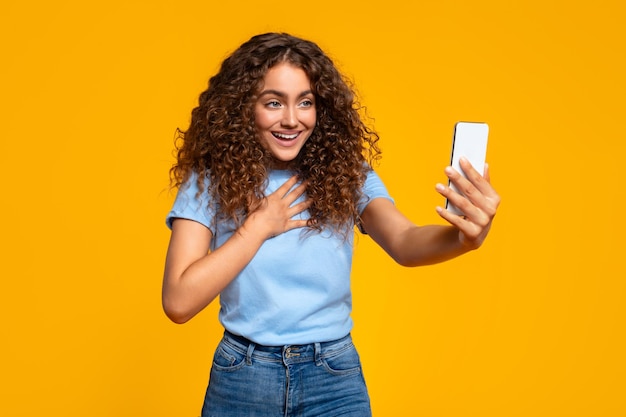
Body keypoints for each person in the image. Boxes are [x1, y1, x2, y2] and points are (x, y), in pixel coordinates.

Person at [162, 32, 500, 417]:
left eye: (305, 102)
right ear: (242, 107)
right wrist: (256, 228)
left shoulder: (345, 174)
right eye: (273, 102)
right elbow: (178, 301)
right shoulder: (211, 179)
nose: (292, 119)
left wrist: (464, 237)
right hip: (244, 377)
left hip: (333, 375)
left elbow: (405, 242)